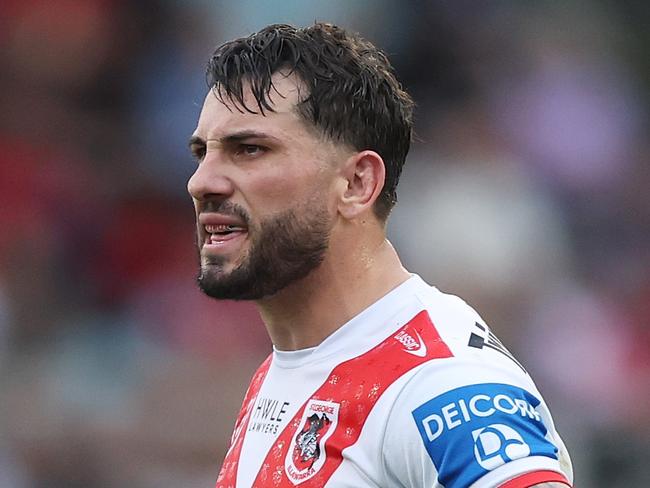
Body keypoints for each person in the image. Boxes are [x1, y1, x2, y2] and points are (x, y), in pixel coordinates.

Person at [187, 22, 573, 488]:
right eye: (201, 153)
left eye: (249, 149)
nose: (201, 182)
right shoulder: (290, 366)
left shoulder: (442, 383)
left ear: (357, 184)